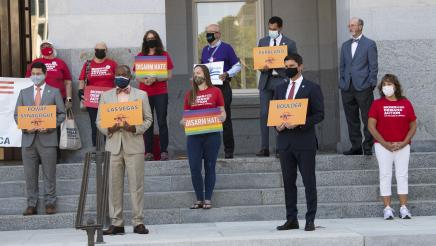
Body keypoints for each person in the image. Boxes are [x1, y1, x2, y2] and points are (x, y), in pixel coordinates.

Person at [97, 65, 153, 235]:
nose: (120, 77)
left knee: (136, 185)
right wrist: (109, 129)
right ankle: (117, 223)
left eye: (124, 74)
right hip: (113, 145)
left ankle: (138, 222)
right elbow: (99, 121)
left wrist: (135, 128)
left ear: (130, 76)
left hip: (134, 144)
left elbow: (149, 119)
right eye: (118, 74)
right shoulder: (105, 96)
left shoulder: (141, 95)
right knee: (114, 185)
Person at [274, 54, 324, 231]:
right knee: (288, 182)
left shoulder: (312, 87)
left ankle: (310, 219)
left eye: (292, 65)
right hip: (285, 142)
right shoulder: (279, 88)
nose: (288, 68)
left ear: (300, 66)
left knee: (309, 182)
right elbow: (275, 113)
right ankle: (291, 218)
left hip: (305, 142)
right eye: (286, 65)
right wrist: (276, 126)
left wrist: (301, 122)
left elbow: (319, 114)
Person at [14, 62, 66, 216]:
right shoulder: (24, 92)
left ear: (45, 74)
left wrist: (50, 126)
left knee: (50, 173)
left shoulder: (54, 92)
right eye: (33, 74)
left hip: (48, 139)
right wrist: (24, 127)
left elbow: (62, 114)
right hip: (28, 139)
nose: (35, 76)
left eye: (38, 73)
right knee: (30, 174)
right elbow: (17, 115)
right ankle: (31, 204)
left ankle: (50, 202)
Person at [368, 74, 417, 220]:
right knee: (385, 175)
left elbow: (413, 125)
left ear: (395, 86)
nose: (386, 87)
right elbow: (371, 126)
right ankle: (387, 209)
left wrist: (404, 142)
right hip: (383, 146)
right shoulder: (377, 104)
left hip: (403, 146)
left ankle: (403, 208)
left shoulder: (405, 103)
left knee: (402, 175)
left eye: (389, 84)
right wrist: (385, 144)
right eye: (384, 85)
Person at [181, 65, 226, 209]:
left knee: (210, 166)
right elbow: (184, 117)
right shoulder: (189, 94)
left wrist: (221, 118)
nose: (196, 75)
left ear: (205, 74)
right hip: (194, 137)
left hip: (212, 135)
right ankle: (199, 198)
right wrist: (183, 122)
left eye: (198, 72)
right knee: (194, 167)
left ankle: (208, 199)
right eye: (194, 73)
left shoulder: (216, 91)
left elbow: (223, 113)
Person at [257, 16, 297, 158]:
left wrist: (282, 64)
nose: (271, 31)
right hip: (266, 81)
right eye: (269, 28)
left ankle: (281, 148)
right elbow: (259, 63)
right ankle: (264, 147)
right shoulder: (262, 42)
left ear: (280, 28)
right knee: (264, 114)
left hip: (282, 80)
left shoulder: (290, 43)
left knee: (280, 114)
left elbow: (294, 64)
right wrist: (263, 66)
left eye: (274, 29)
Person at [200, 24, 241, 159]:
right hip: (208, 88)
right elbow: (202, 68)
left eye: (211, 33)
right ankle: (210, 150)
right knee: (209, 118)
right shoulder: (205, 50)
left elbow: (237, 65)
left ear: (218, 34)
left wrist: (227, 74)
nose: (208, 36)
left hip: (223, 87)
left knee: (225, 118)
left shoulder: (226, 48)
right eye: (207, 33)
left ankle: (229, 150)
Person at [339, 17, 378, 155]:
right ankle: (356, 146)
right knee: (351, 118)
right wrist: (342, 82)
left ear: (360, 26)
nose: (350, 28)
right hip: (347, 87)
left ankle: (368, 145)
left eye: (353, 25)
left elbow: (373, 66)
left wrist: (371, 83)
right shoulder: (345, 45)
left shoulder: (369, 44)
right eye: (349, 25)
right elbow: (342, 66)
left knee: (367, 117)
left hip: (364, 87)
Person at [135, 30, 174, 161]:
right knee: (148, 123)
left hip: (161, 93)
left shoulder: (164, 55)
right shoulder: (141, 55)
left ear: (157, 39)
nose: (150, 40)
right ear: (145, 41)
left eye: (153, 38)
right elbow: (137, 76)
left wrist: (156, 79)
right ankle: (149, 152)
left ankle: (164, 151)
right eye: (148, 38)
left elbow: (169, 75)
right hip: (145, 93)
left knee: (162, 121)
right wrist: (145, 81)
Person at [78, 42, 117, 146]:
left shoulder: (112, 64)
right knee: (94, 125)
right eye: (97, 49)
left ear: (106, 51)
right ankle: (97, 151)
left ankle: (110, 148)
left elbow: (117, 79)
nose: (99, 52)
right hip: (93, 99)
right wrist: (80, 91)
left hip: (109, 99)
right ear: (94, 51)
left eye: (102, 50)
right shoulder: (88, 64)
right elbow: (82, 80)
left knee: (109, 124)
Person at [26, 40, 73, 108]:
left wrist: (69, 99)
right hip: (40, 98)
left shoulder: (61, 63)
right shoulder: (35, 62)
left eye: (48, 46)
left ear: (52, 48)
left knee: (58, 118)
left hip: (58, 98)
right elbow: (27, 80)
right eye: (42, 47)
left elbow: (68, 83)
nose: (45, 48)